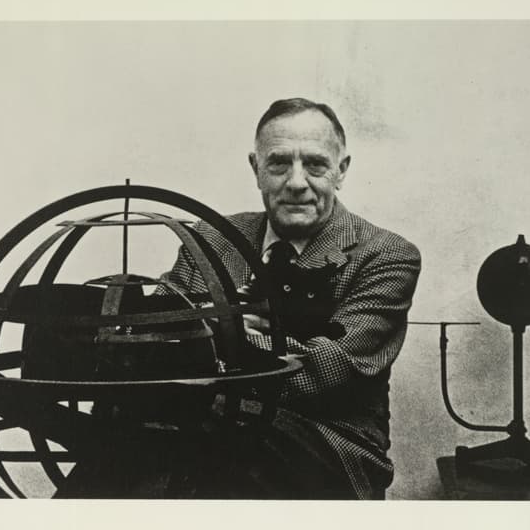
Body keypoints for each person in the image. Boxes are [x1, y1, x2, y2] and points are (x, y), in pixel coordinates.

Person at [159, 97, 421, 500]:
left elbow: (323, 372)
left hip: (328, 452)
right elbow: (154, 333)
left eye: (315, 164)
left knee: (191, 425)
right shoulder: (210, 239)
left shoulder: (385, 255)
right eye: (279, 163)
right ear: (256, 169)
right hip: (204, 437)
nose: (296, 182)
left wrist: (216, 329)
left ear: (341, 170)